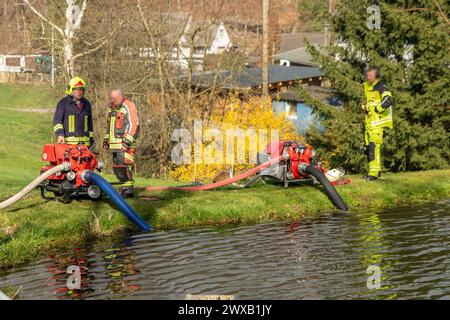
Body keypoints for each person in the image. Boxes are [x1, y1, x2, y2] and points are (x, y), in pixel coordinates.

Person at [103, 88, 140, 198]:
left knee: (125, 167)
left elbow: (134, 125)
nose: (112, 100)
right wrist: (106, 140)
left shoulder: (129, 106)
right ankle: (124, 189)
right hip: (114, 146)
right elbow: (109, 126)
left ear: (120, 96)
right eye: (111, 98)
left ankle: (128, 191)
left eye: (114, 98)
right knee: (117, 168)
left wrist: (126, 142)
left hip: (124, 145)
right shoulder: (111, 109)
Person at [362, 66, 394, 181]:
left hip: (376, 125)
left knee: (373, 148)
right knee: (368, 149)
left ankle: (373, 174)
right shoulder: (368, 88)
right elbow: (369, 102)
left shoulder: (381, 87)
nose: (367, 77)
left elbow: (388, 100)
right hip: (369, 125)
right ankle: (376, 171)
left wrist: (377, 109)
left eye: (370, 75)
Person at [53, 77, 94, 147]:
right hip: (68, 145)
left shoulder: (87, 104)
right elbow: (57, 121)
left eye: (81, 89)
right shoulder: (63, 103)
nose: (79, 92)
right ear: (70, 90)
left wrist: (91, 140)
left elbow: (90, 125)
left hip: (85, 146)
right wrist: (60, 134)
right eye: (76, 89)